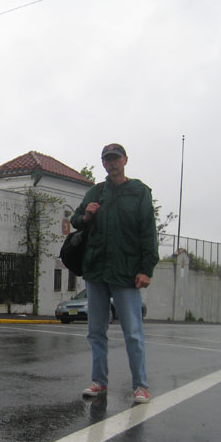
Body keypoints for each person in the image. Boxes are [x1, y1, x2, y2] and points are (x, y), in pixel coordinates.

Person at [71, 143, 159, 404]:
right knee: (96, 330)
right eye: (107, 160)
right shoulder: (96, 192)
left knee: (133, 332)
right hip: (96, 269)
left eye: (115, 158)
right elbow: (74, 220)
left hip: (126, 273)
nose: (111, 163)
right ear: (103, 163)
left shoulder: (139, 192)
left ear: (125, 160)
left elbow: (148, 233)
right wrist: (85, 216)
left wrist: (146, 269)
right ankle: (99, 382)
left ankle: (140, 386)